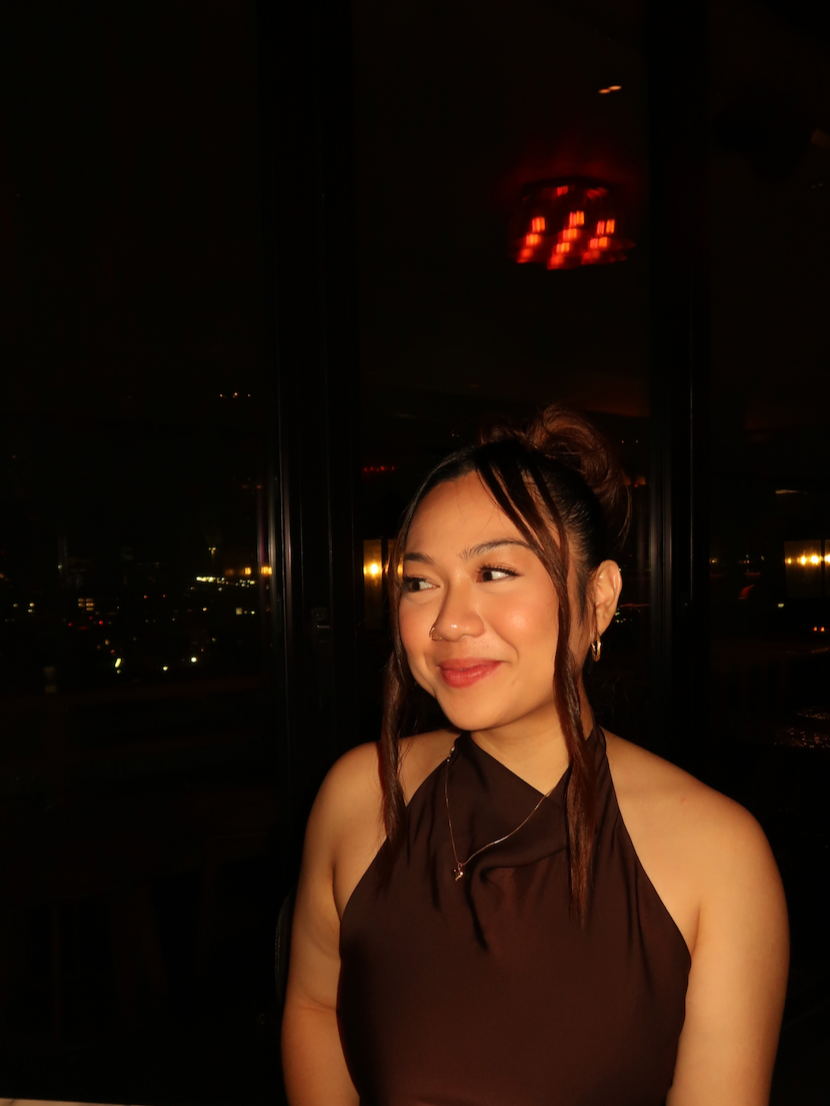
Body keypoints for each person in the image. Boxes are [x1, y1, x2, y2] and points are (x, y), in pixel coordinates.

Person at [282, 407, 789, 1106]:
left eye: (494, 572)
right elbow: (313, 1007)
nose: (448, 622)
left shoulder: (719, 855)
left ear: (600, 597)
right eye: (420, 582)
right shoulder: (357, 795)